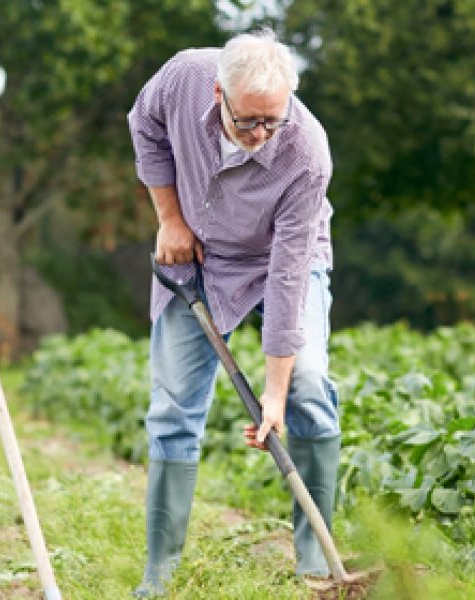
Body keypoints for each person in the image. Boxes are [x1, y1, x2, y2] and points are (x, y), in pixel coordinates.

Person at [128, 28, 340, 597]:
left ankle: (315, 563)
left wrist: (274, 391)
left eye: (273, 121)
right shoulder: (182, 77)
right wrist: (169, 218)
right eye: (248, 121)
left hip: (282, 253)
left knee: (309, 387)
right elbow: (143, 127)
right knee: (173, 405)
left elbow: (290, 279)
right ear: (218, 94)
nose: (261, 135)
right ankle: (160, 574)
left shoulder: (305, 152)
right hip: (198, 252)